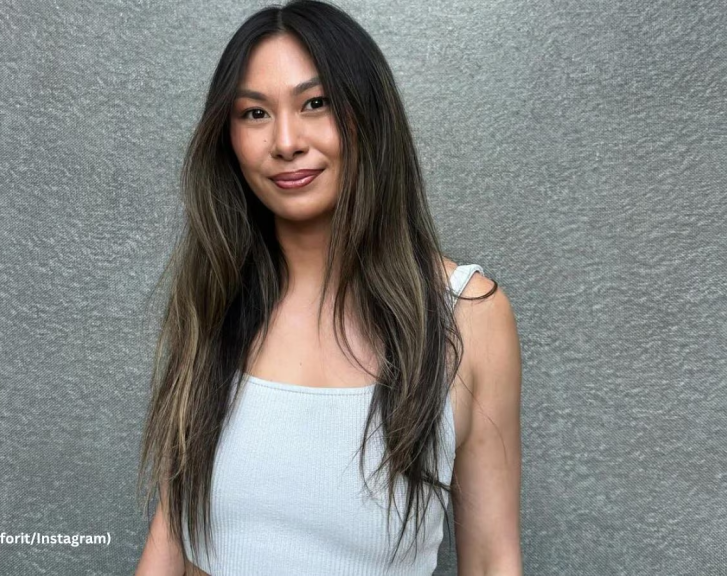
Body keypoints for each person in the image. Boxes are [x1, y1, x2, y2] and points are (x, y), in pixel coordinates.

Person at [134, 1, 522, 574]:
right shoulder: (216, 302)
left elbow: (492, 560)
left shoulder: (467, 314)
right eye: (254, 113)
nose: (286, 141)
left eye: (316, 103)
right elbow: (172, 540)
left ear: (369, 113)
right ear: (228, 138)